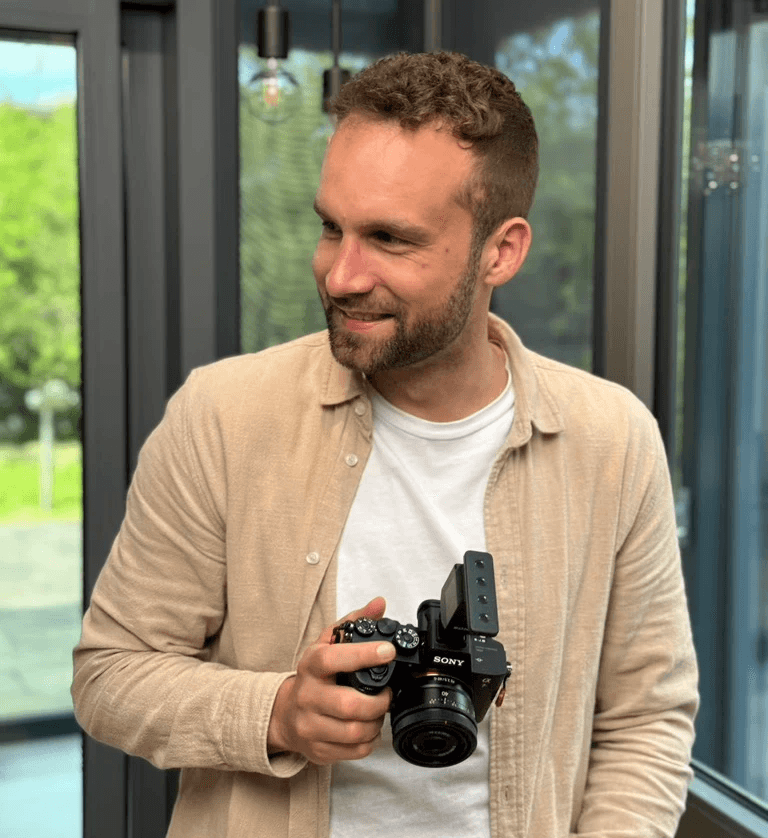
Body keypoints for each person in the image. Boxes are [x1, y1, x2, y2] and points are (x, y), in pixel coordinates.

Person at [72, 51, 698, 838]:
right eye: (331, 227)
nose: (339, 274)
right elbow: (110, 676)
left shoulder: (614, 441)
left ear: (500, 251)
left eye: (390, 239)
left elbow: (647, 718)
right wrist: (278, 713)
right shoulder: (222, 416)